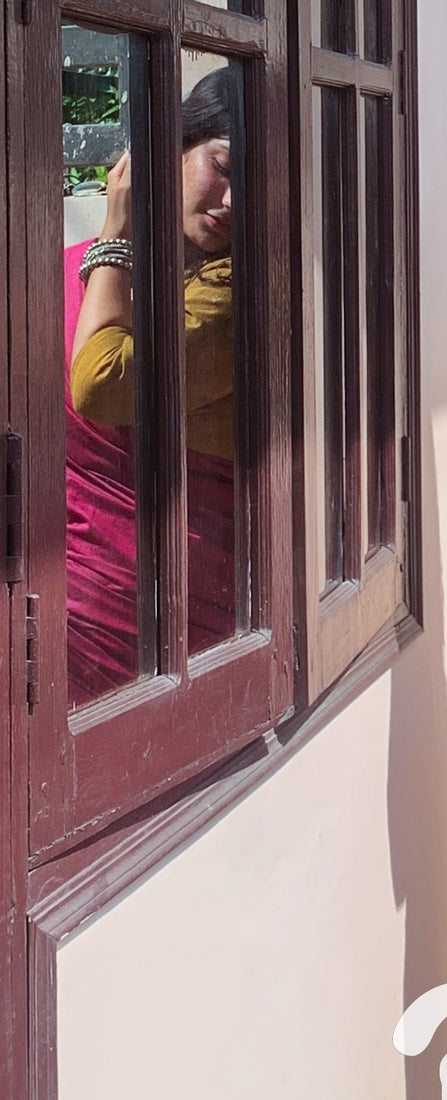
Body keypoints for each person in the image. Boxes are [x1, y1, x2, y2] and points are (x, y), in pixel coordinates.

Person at [65, 66, 239, 703]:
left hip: (158, 634)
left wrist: (116, 236)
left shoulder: (238, 303)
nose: (231, 202)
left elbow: (103, 386)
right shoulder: (61, 276)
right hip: (43, 593)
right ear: (170, 150)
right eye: (221, 166)